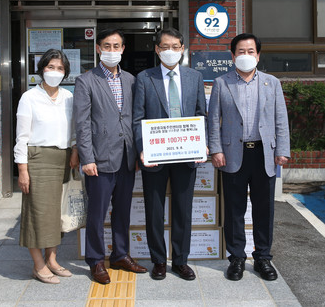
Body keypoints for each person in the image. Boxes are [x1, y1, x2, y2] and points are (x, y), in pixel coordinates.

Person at [207, 33, 290, 282]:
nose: (246, 55)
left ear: (258, 55)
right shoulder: (221, 83)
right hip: (233, 154)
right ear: (233, 56)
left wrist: (282, 150)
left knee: (264, 209)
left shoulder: (271, 83)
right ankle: (236, 258)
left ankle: (263, 257)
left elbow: (280, 119)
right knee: (234, 209)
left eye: (250, 51)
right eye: (241, 51)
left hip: (264, 153)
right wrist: (216, 149)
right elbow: (213, 120)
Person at [73, 29, 147, 285]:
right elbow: (82, 123)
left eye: (116, 46)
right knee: (97, 213)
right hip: (99, 159)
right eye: (107, 46)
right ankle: (95, 260)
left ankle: (120, 254)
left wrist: (138, 151)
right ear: (98, 48)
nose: (112, 50)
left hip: (127, 157)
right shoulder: (86, 81)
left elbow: (135, 118)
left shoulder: (131, 80)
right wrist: (87, 158)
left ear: (123, 49)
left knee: (123, 211)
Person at [133, 28, 207, 281]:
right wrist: (142, 148)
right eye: (165, 47)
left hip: (186, 154)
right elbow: (137, 118)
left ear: (182, 49)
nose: (170, 51)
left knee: (183, 210)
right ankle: (158, 260)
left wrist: (202, 143)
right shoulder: (145, 78)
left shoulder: (195, 77)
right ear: (157, 50)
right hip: (155, 155)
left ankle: (181, 260)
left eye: (175, 47)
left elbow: (201, 115)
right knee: (154, 210)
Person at [14, 48, 80, 285]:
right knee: (38, 213)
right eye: (51, 67)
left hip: (63, 159)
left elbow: (74, 129)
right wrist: (22, 170)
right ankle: (38, 265)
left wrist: (74, 150)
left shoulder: (69, 97)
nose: (55, 72)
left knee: (56, 214)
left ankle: (52, 260)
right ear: (42, 69)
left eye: (60, 68)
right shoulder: (29, 97)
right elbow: (21, 137)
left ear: (66, 73)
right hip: (38, 160)